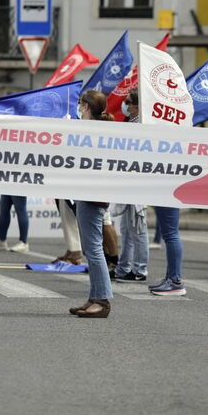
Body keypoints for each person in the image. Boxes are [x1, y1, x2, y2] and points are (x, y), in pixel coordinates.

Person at [68, 90, 114, 317]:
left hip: (93, 195)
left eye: (80, 104)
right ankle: (94, 297)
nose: (79, 108)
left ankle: (103, 301)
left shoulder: (96, 131)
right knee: (90, 248)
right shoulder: (94, 130)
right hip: (87, 193)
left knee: (94, 249)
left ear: (85, 106)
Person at [112, 90, 149, 282]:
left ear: (137, 106)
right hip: (127, 182)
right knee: (127, 228)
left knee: (138, 227)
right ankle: (125, 266)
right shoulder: (130, 123)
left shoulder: (141, 125)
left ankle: (140, 270)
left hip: (138, 183)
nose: (124, 105)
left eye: (128, 102)